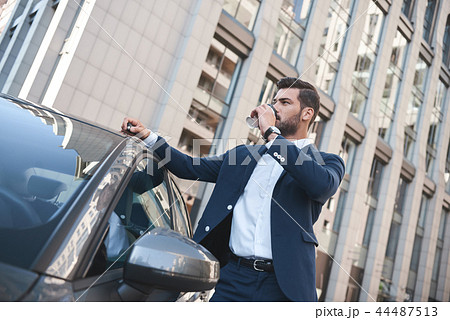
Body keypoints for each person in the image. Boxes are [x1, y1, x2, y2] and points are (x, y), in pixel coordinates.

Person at [121, 77, 345, 302]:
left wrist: (271, 134)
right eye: (274, 101)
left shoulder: (325, 162)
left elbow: (321, 186)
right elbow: (188, 167)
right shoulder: (243, 157)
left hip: (285, 286)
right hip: (234, 278)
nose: (275, 108)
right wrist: (147, 136)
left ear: (306, 114)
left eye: (285, 103)